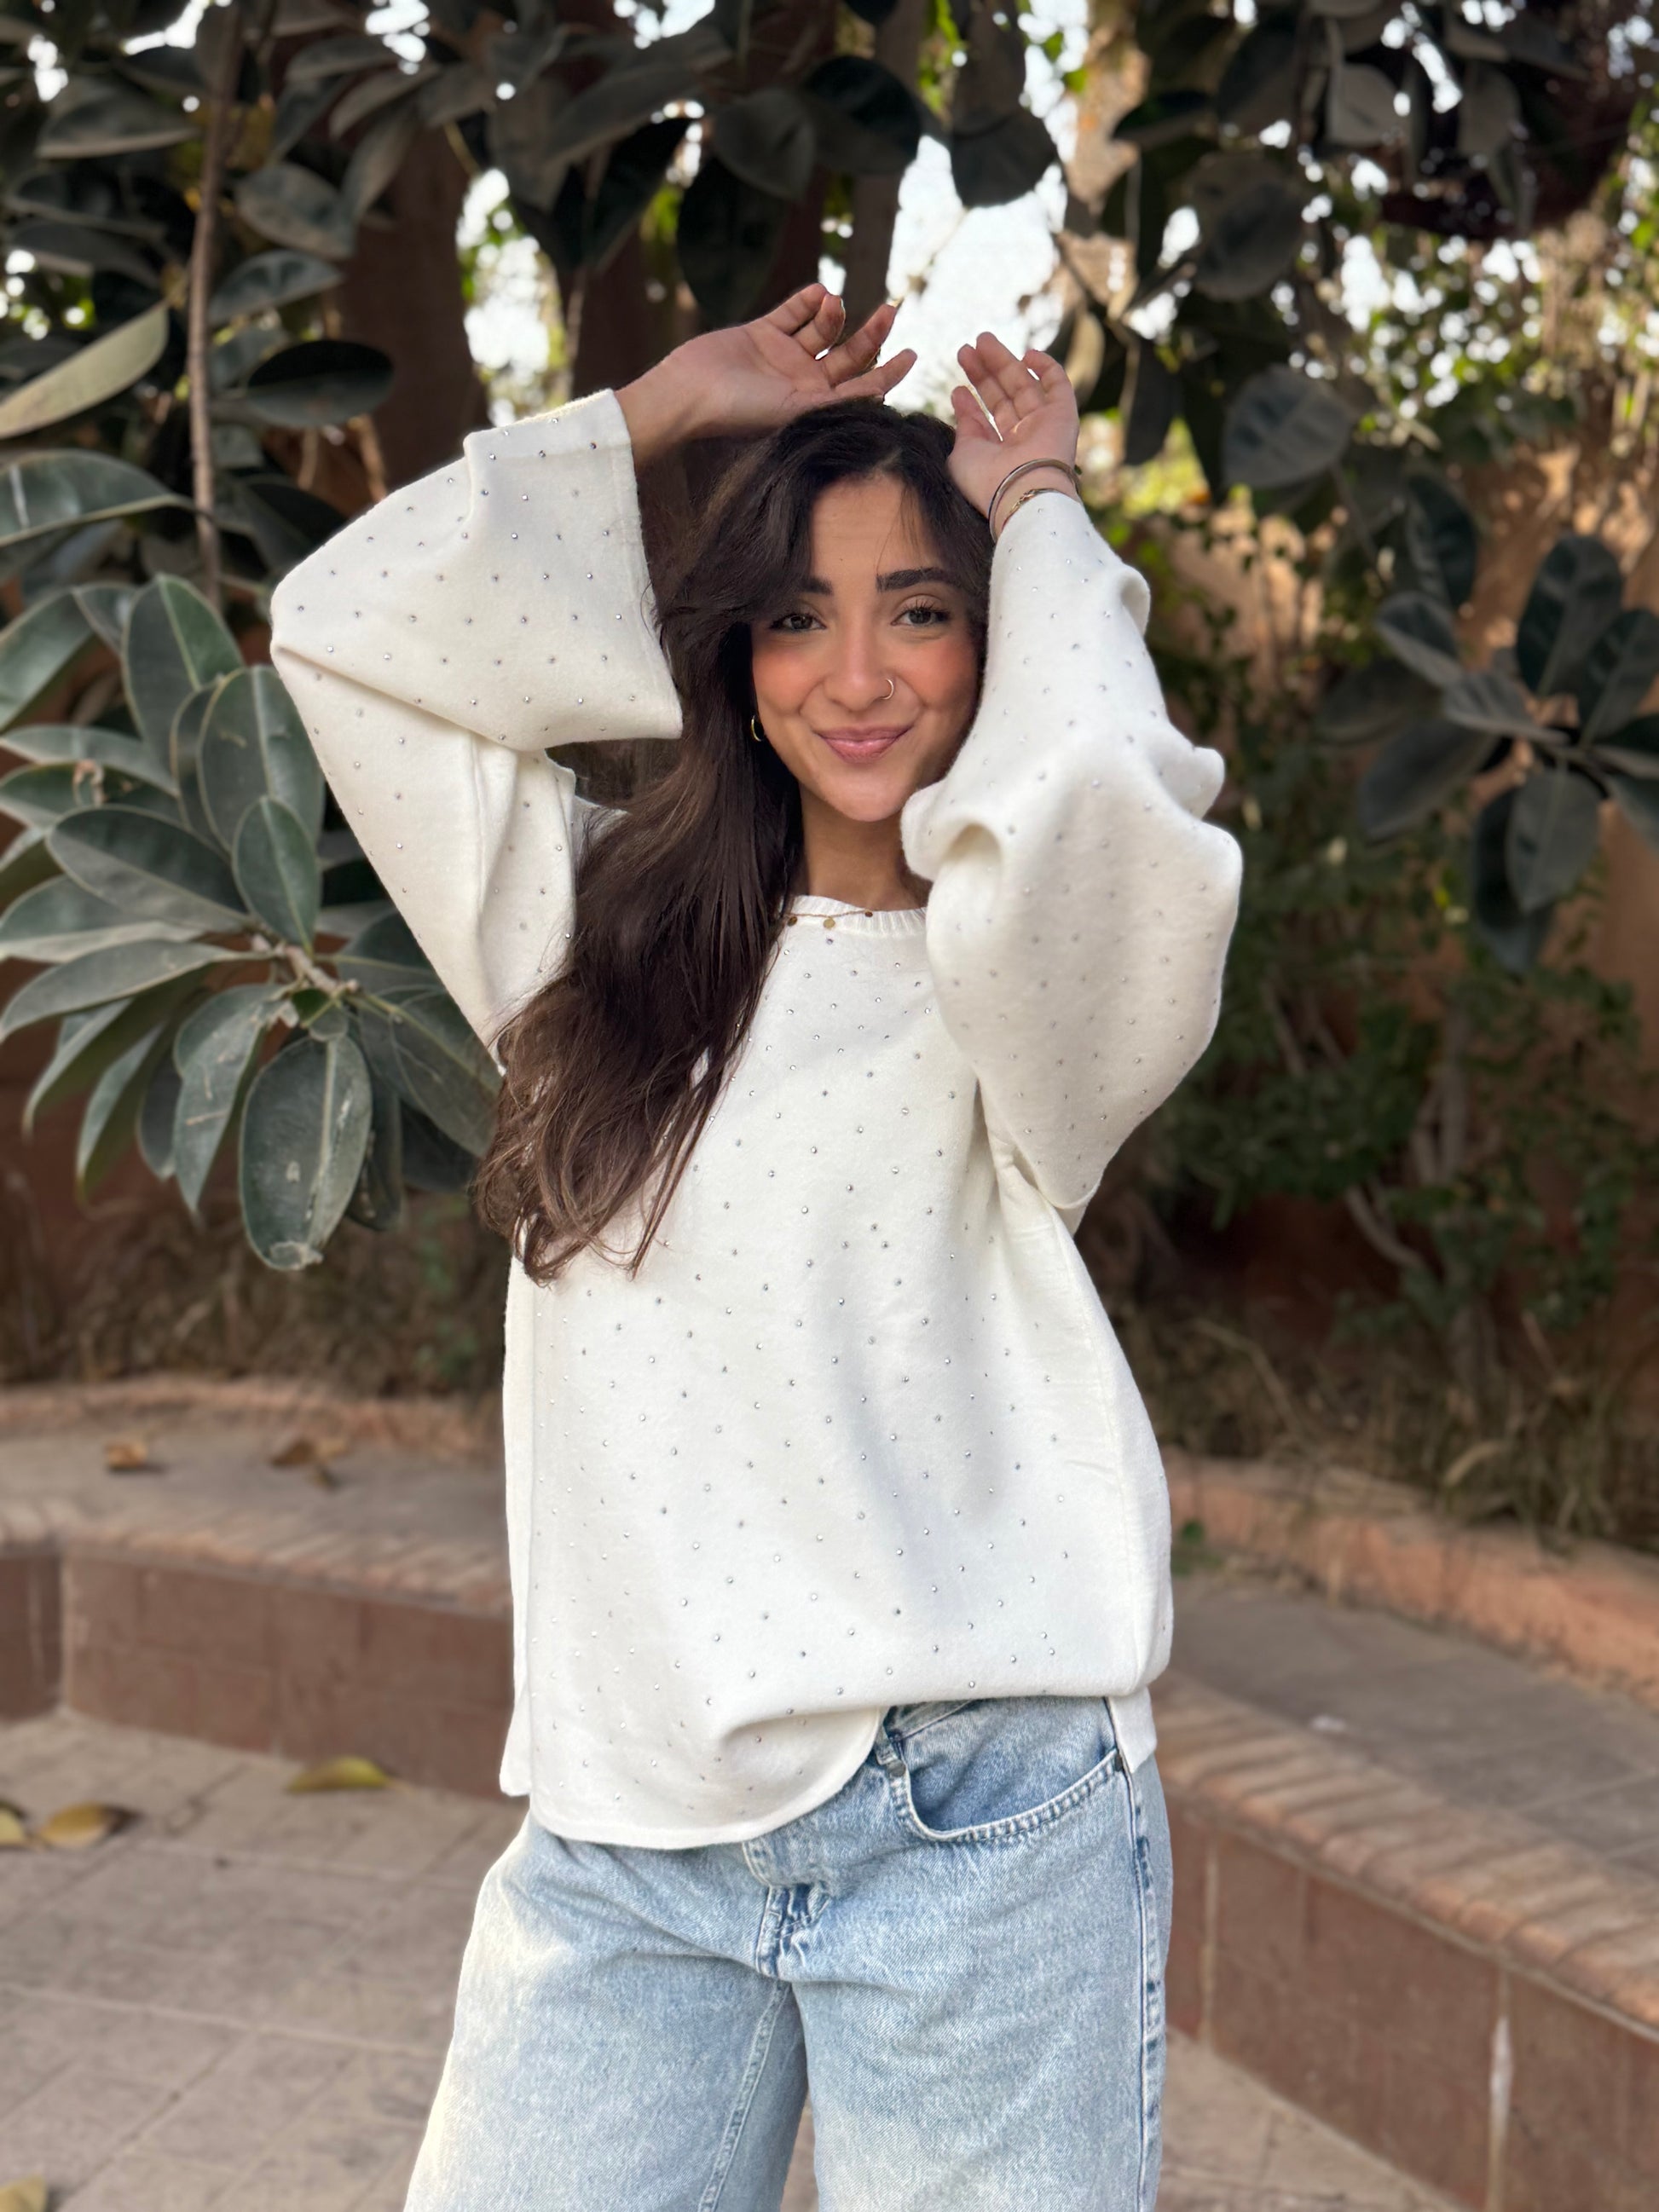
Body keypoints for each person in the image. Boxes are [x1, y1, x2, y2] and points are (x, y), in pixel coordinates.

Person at [269, 286, 1240, 2212]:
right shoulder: (580, 936)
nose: (855, 674)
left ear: (995, 642)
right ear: (734, 654)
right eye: (797, 614)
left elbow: (1105, 818)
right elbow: (341, 634)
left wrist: (1040, 509)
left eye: (921, 609)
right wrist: (654, 408)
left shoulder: (1020, 984)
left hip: (972, 1825)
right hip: (625, 1843)